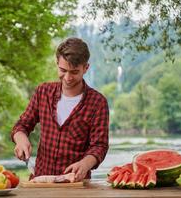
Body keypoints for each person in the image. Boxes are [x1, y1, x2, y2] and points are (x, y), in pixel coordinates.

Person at [11, 37, 109, 181]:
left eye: (74, 72)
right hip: (40, 181)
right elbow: (22, 125)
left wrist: (85, 164)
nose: (68, 78)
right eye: (63, 70)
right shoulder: (43, 92)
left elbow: (99, 146)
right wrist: (21, 139)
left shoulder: (98, 103)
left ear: (85, 68)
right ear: (57, 63)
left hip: (76, 184)